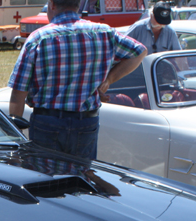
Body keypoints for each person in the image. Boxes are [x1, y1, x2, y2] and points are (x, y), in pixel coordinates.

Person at [8, 0, 146, 159]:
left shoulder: (38, 38)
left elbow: (18, 93)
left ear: (52, 5)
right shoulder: (104, 32)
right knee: (81, 173)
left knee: (45, 173)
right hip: (86, 122)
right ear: (78, 5)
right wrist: (109, 80)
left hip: (47, 122)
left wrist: (15, 137)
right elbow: (139, 51)